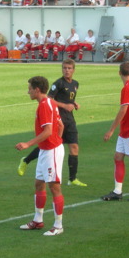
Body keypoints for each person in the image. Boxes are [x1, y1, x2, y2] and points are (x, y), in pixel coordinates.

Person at [18, 59, 87, 187]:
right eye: (64, 68)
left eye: (69, 68)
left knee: (74, 147)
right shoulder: (58, 83)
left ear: (73, 70)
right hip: (56, 118)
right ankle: (26, 160)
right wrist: (64, 106)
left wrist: (73, 104)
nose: (67, 70)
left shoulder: (76, 84)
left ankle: (72, 178)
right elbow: (48, 99)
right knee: (49, 143)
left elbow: (69, 99)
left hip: (69, 120)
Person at [15, 76, 65, 236]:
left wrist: (28, 144)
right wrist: (57, 139)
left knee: (54, 187)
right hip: (47, 150)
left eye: (30, 88)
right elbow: (60, 125)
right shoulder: (50, 102)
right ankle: (38, 220)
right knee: (39, 184)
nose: (28, 91)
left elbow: (49, 131)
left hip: (52, 151)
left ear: (37, 90)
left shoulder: (44, 105)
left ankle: (58, 225)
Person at [101, 62, 129, 202]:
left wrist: (111, 130)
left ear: (119, 73)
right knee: (118, 157)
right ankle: (117, 191)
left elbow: (123, 109)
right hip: (127, 129)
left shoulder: (127, 89)